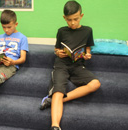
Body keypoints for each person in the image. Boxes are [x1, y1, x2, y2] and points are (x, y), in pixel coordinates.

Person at [39, 1, 101, 130]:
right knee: (58, 91)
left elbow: (87, 48)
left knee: (95, 84)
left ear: (81, 16)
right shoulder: (62, 31)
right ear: (64, 18)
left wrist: (87, 54)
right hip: (61, 64)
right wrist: (58, 52)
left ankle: (56, 101)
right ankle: (55, 125)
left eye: (75, 19)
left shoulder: (88, 30)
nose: (72, 23)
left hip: (78, 65)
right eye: (69, 20)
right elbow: (56, 49)